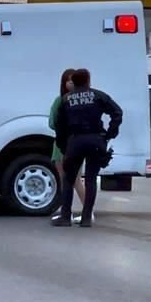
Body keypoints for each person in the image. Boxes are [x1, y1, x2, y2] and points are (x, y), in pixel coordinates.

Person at [52, 68, 123, 228]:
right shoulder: (98, 95)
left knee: (68, 179)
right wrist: (109, 134)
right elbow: (117, 112)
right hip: (96, 140)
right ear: (88, 80)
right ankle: (85, 218)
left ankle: (65, 217)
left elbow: (59, 126)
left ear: (74, 82)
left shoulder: (66, 99)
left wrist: (64, 146)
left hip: (75, 141)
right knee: (91, 179)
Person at [49, 69, 87, 222]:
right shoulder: (61, 101)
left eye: (74, 80)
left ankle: (84, 211)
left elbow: (53, 123)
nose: (71, 83)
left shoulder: (64, 101)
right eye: (68, 80)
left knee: (75, 179)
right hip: (63, 145)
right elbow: (52, 122)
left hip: (69, 144)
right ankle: (69, 212)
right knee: (66, 180)